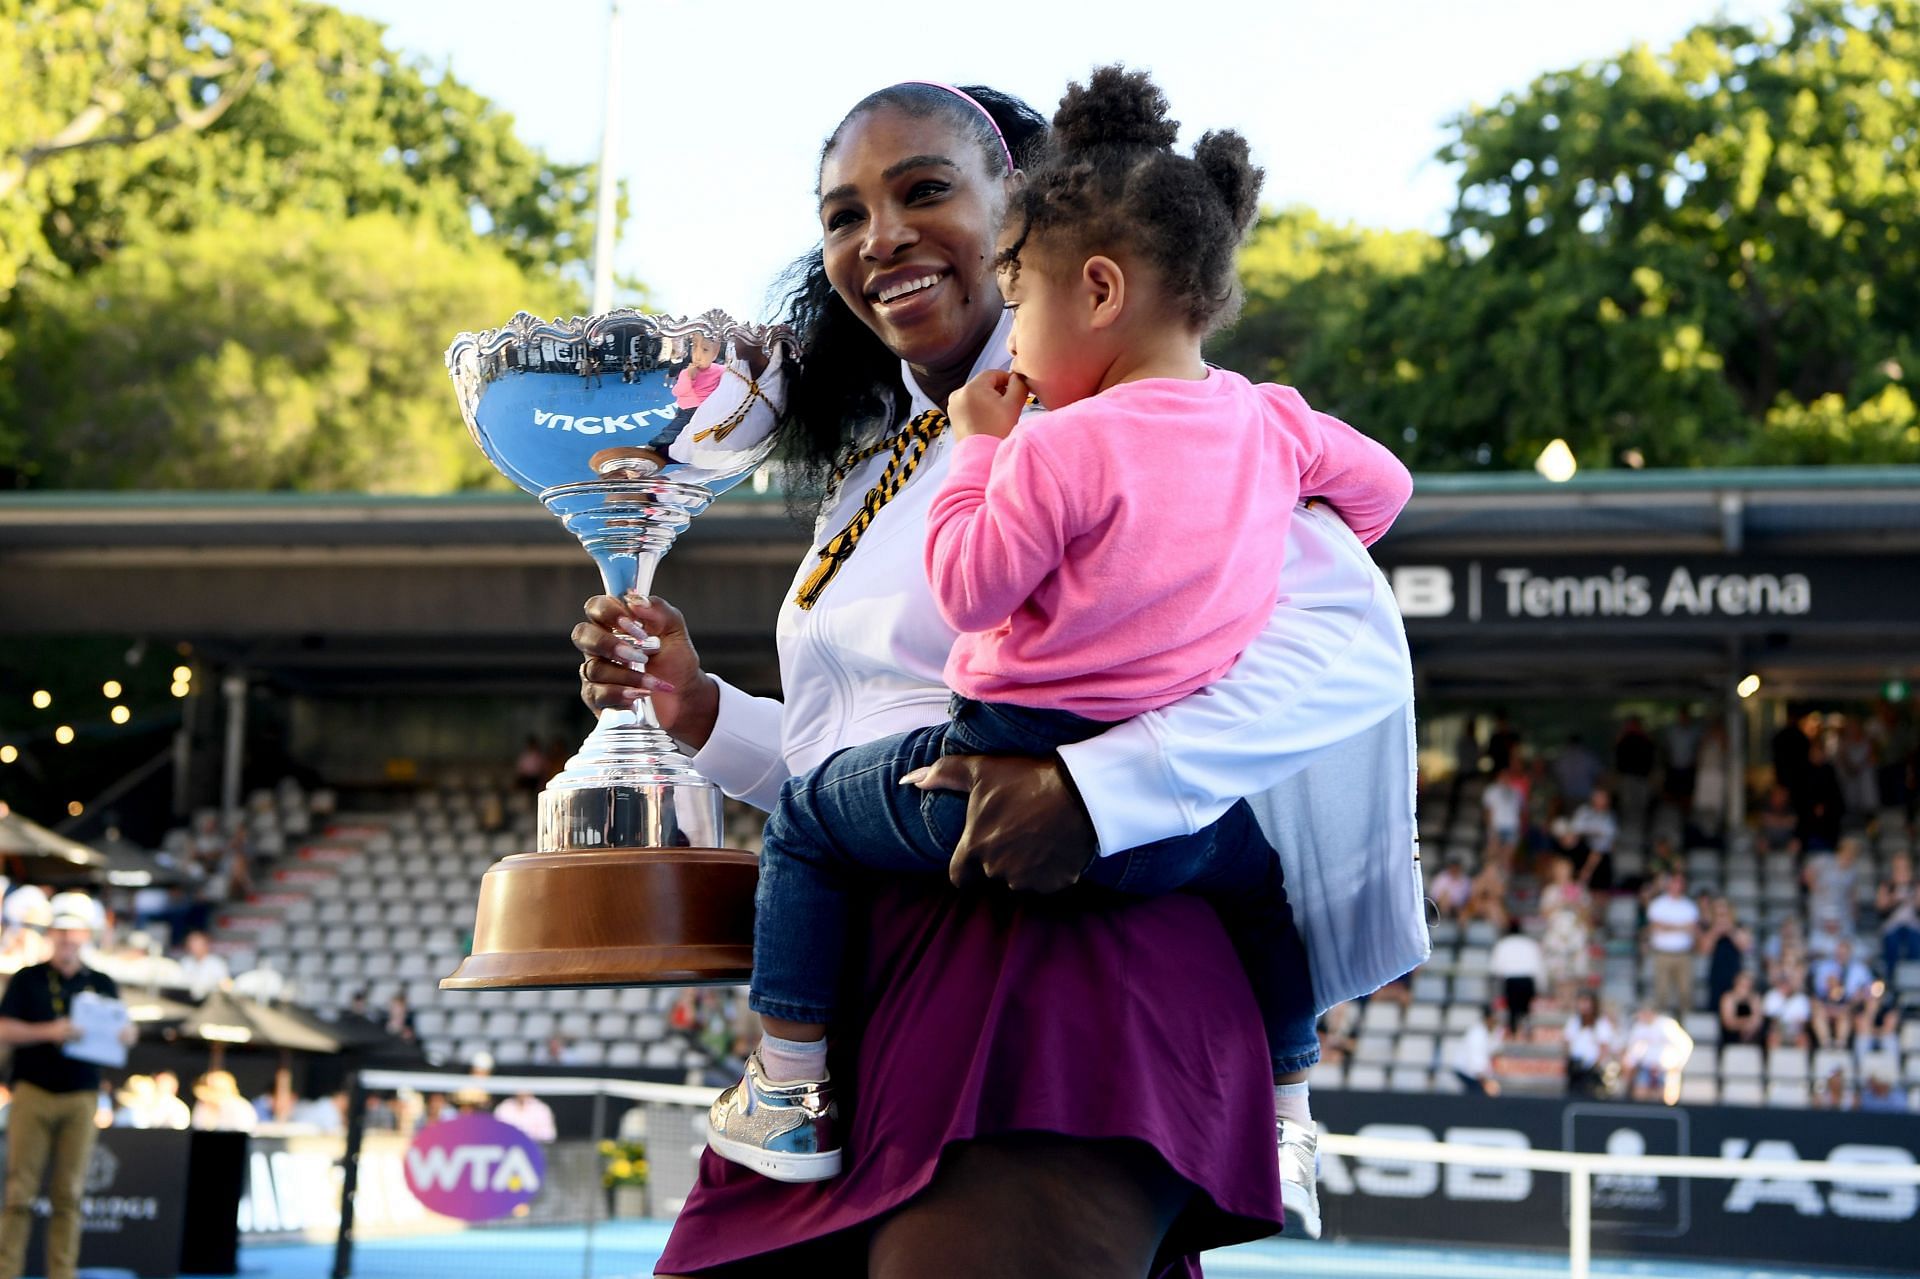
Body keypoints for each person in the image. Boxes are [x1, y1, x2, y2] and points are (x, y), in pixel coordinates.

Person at [575, 77, 1423, 1274]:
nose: (880, 239)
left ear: (1026, 214)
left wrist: (1096, 792)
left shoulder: (1140, 416)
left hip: (1068, 973)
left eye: (925, 191)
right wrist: (698, 707)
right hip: (886, 964)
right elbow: (866, 748)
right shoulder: (882, 455)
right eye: (842, 215)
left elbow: (1350, 651)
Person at [0, 893, 133, 1279]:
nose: (68, 938)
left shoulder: (103, 982)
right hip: (33, 1092)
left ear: (85, 935)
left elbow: (123, 1031)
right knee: (19, 1192)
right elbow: (4, 1028)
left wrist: (128, 1033)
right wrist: (49, 1031)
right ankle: (7, 1271)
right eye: (61, 930)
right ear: (52, 934)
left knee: (70, 1194)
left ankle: (63, 1273)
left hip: (81, 1095)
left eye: (75, 930)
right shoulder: (28, 979)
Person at [1644, 873, 1700, 1013]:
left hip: (1683, 954)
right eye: (1674, 883)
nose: (1677, 886)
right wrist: (1681, 927)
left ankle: (1687, 1023)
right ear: (1669, 885)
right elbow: (1655, 927)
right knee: (1661, 992)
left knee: (1685, 991)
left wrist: (1668, 926)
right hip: (1663, 953)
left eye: (1679, 883)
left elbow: (1692, 929)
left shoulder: (1689, 905)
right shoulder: (1658, 904)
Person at [1621, 1005, 1693, 1106]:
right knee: (1640, 1094)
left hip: (1665, 1070)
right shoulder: (1638, 1028)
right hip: (1645, 1068)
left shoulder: (1666, 1025)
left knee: (1666, 1098)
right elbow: (1633, 1052)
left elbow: (1686, 1044)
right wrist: (1628, 1066)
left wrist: (1678, 1066)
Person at [1488, 918, 1545, 1035]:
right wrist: (1540, 987)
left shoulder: (1503, 944)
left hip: (1512, 981)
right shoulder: (1530, 944)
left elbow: (1494, 968)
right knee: (1526, 1010)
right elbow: (1539, 967)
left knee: (1513, 1011)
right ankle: (1525, 1032)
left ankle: (1514, 1033)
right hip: (1527, 981)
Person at [1448, 1005, 1502, 1095]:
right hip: (1466, 1072)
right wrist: (1485, 1081)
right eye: (1494, 1019)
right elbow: (1475, 1062)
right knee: (1478, 1095)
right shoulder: (1476, 1034)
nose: (1496, 1022)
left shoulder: (1490, 1032)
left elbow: (1495, 1050)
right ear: (1488, 1018)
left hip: (1475, 1073)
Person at [191, 1070, 257, 1132]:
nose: (207, 1098)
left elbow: (240, 1135)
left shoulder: (240, 1108)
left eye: (214, 1091)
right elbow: (197, 1127)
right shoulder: (202, 1104)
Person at [1718, 970, 1765, 1046]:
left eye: (1747, 986)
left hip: (1751, 1034)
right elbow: (1728, 1022)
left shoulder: (1755, 998)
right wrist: (1744, 1024)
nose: (1744, 989)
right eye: (1742, 985)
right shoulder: (1728, 998)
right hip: (1731, 1035)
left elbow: (1757, 1021)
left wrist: (1746, 1026)